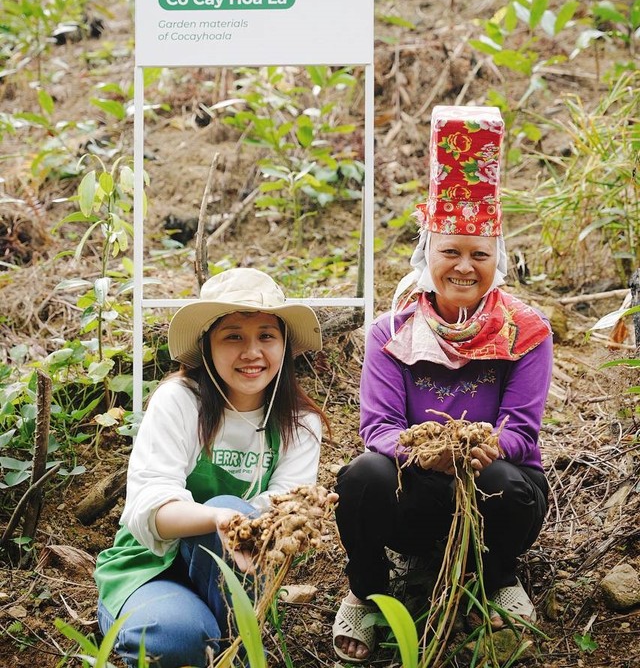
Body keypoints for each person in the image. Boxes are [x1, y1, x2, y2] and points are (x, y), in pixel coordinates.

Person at [332, 105, 554, 662]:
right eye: (449, 251)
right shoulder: (391, 332)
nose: (463, 266)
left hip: (492, 492)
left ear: (495, 261)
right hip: (418, 487)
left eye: (478, 254)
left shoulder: (528, 332)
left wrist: (478, 448)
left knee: (508, 476)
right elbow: (378, 429)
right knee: (361, 477)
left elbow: (522, 433)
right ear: (425, 255)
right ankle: (367, 591)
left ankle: (499, 575)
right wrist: (423, 450)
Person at [95, 267, 326, 668]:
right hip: (151, 569)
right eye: (233, 336)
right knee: (177, 639)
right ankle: (185, 629)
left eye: (266, 336)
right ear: (207, 346)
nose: (252, 352)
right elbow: (150, 505)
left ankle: (235, 641)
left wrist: (238, 522)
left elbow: (289, 512)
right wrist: (219, 516)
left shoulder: (300, 423)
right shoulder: (180, 402)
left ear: (285, 345)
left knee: (240, 520)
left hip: (236, 577)